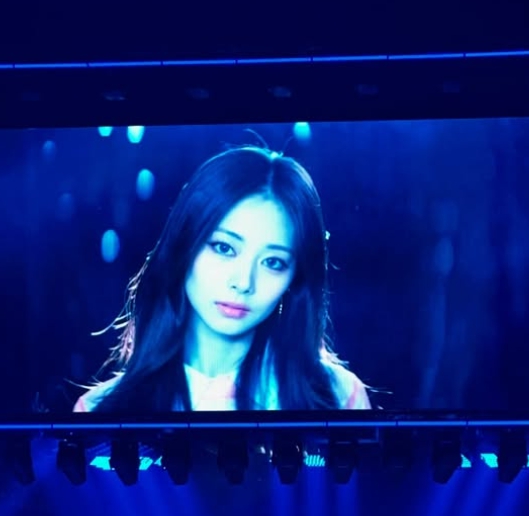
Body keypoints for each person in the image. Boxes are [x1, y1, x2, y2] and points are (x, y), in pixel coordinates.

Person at [74, 143, 371, 413]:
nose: (243, 283)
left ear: (294, 279)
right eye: (224, 248)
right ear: (184, 245)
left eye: (273, 262)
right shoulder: (100, 412)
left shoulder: (338, 397)